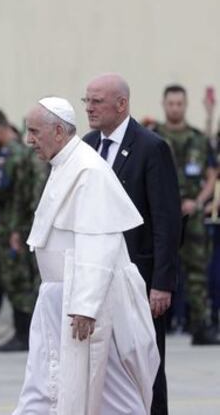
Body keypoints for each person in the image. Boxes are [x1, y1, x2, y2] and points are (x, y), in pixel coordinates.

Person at [14, 96, 159, 414]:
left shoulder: (88, 170)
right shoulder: (64, 163)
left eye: (34, 131)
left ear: (58, 131)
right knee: (45, 385)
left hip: (88, 305)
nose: (29, 140)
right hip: (60, 298)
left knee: (111, 393)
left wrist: (85, 306)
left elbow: (99, 242)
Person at [82, 74, 186, 415]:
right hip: (97, 277)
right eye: (87, 101)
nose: (90, 108)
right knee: (104, 365)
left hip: (139, 279)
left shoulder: (151, 147)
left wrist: (161, 283)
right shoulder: (87, 145)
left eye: (97, 101)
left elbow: (167, 221)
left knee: (146, 362)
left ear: (121, 104)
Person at [151, 84, 220, 346]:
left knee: (197, 272)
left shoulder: (199, 139)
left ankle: (200, 326)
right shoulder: (153, 138)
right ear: (164, 104)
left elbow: (212, 175)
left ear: (185, 105)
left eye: (180, 103)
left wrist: (198, 202)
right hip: (160, 218)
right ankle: (152, 324)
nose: (175, 108)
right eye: (171, 103)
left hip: (192, 217)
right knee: (155, 269)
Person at [0, 109, 44, 351]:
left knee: (16, 280)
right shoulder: (23, 153)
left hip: (12, 226)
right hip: (22, 224)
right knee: (24, 279)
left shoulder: (11, 155)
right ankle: (26, 332)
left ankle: (23, 333)